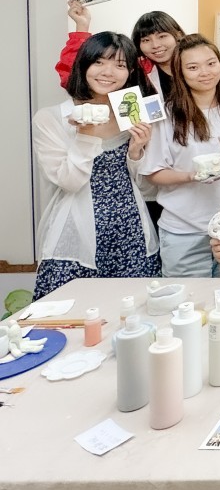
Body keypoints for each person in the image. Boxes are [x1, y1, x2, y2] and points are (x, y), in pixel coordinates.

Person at [32, 32, 160, 299]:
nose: (108, 72)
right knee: (69, 311)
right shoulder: (51, 118)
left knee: (130, 311)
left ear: (130, 72)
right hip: (75, 232)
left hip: (130, 230)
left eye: (120, 65)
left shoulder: (131, 113)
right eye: (99, 62)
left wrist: (136, 151)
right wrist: (86, 135)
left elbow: (147, 187)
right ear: (83, 64)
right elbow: (69, 181)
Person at [140, 34, 220, 277]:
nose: (205, 72)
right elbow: (153, 173)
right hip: (183, 230)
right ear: (180, 72)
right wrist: (192, 176)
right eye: (193, 67)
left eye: (211, 63)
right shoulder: (167, 115)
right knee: (187, 298)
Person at [57, 1, 185, 98]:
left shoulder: (193, 61)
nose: (155, 45)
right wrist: (82, 26)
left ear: (178, 35)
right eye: (146, 40)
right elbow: (75, 73)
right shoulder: (139, 69)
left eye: (162, 36)